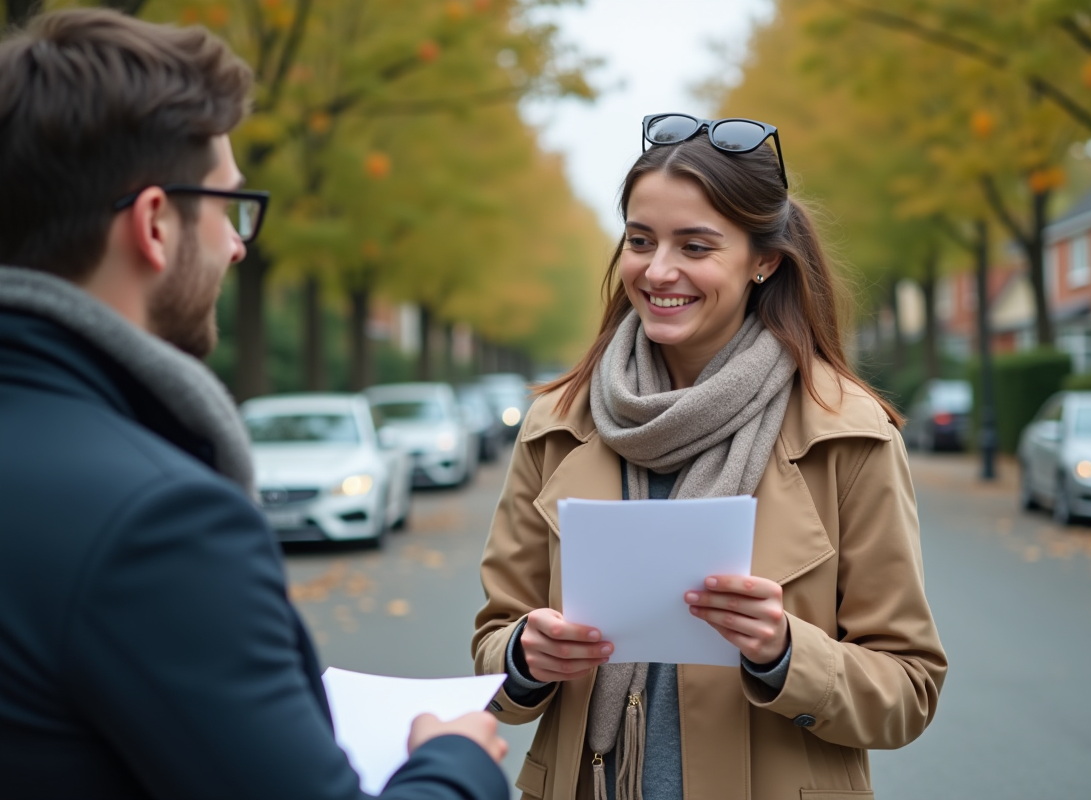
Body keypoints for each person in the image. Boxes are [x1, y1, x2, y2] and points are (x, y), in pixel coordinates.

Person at [0, 10, 507, 800]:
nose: (240, 245)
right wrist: (456, 764)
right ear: (155, 224)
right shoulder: (156, 523)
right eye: (230, 208)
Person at [473, 113, 948, 800]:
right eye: (640, 240)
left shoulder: (849, 432)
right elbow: (493, 648)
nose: (658, 270)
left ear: (764, 260)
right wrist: (524, 656)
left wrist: (785, 652)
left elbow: (908, 689)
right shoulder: (557, 423)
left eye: (695, 246)